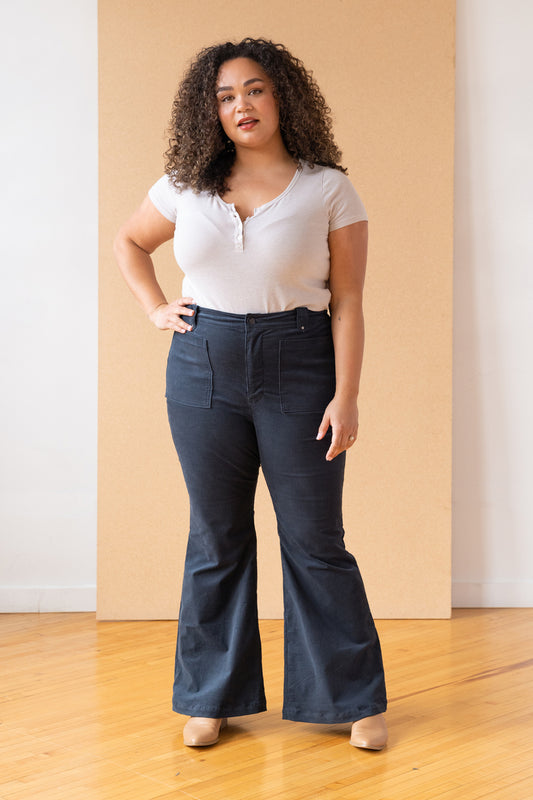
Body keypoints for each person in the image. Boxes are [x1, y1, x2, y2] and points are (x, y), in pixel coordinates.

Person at [114, 37, 387, 750]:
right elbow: (130, 242)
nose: (241, 104)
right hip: (201, 365)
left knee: (315, 540)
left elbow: (350, 302)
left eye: (255, 89)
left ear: (282, 96)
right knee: (216, 536)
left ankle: (349, 700)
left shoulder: (327, 186)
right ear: (209, 109)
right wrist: (154, 308)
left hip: (300, 364)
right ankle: (211, 698)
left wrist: (346, 394)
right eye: (226, 94)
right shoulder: (184, 183)